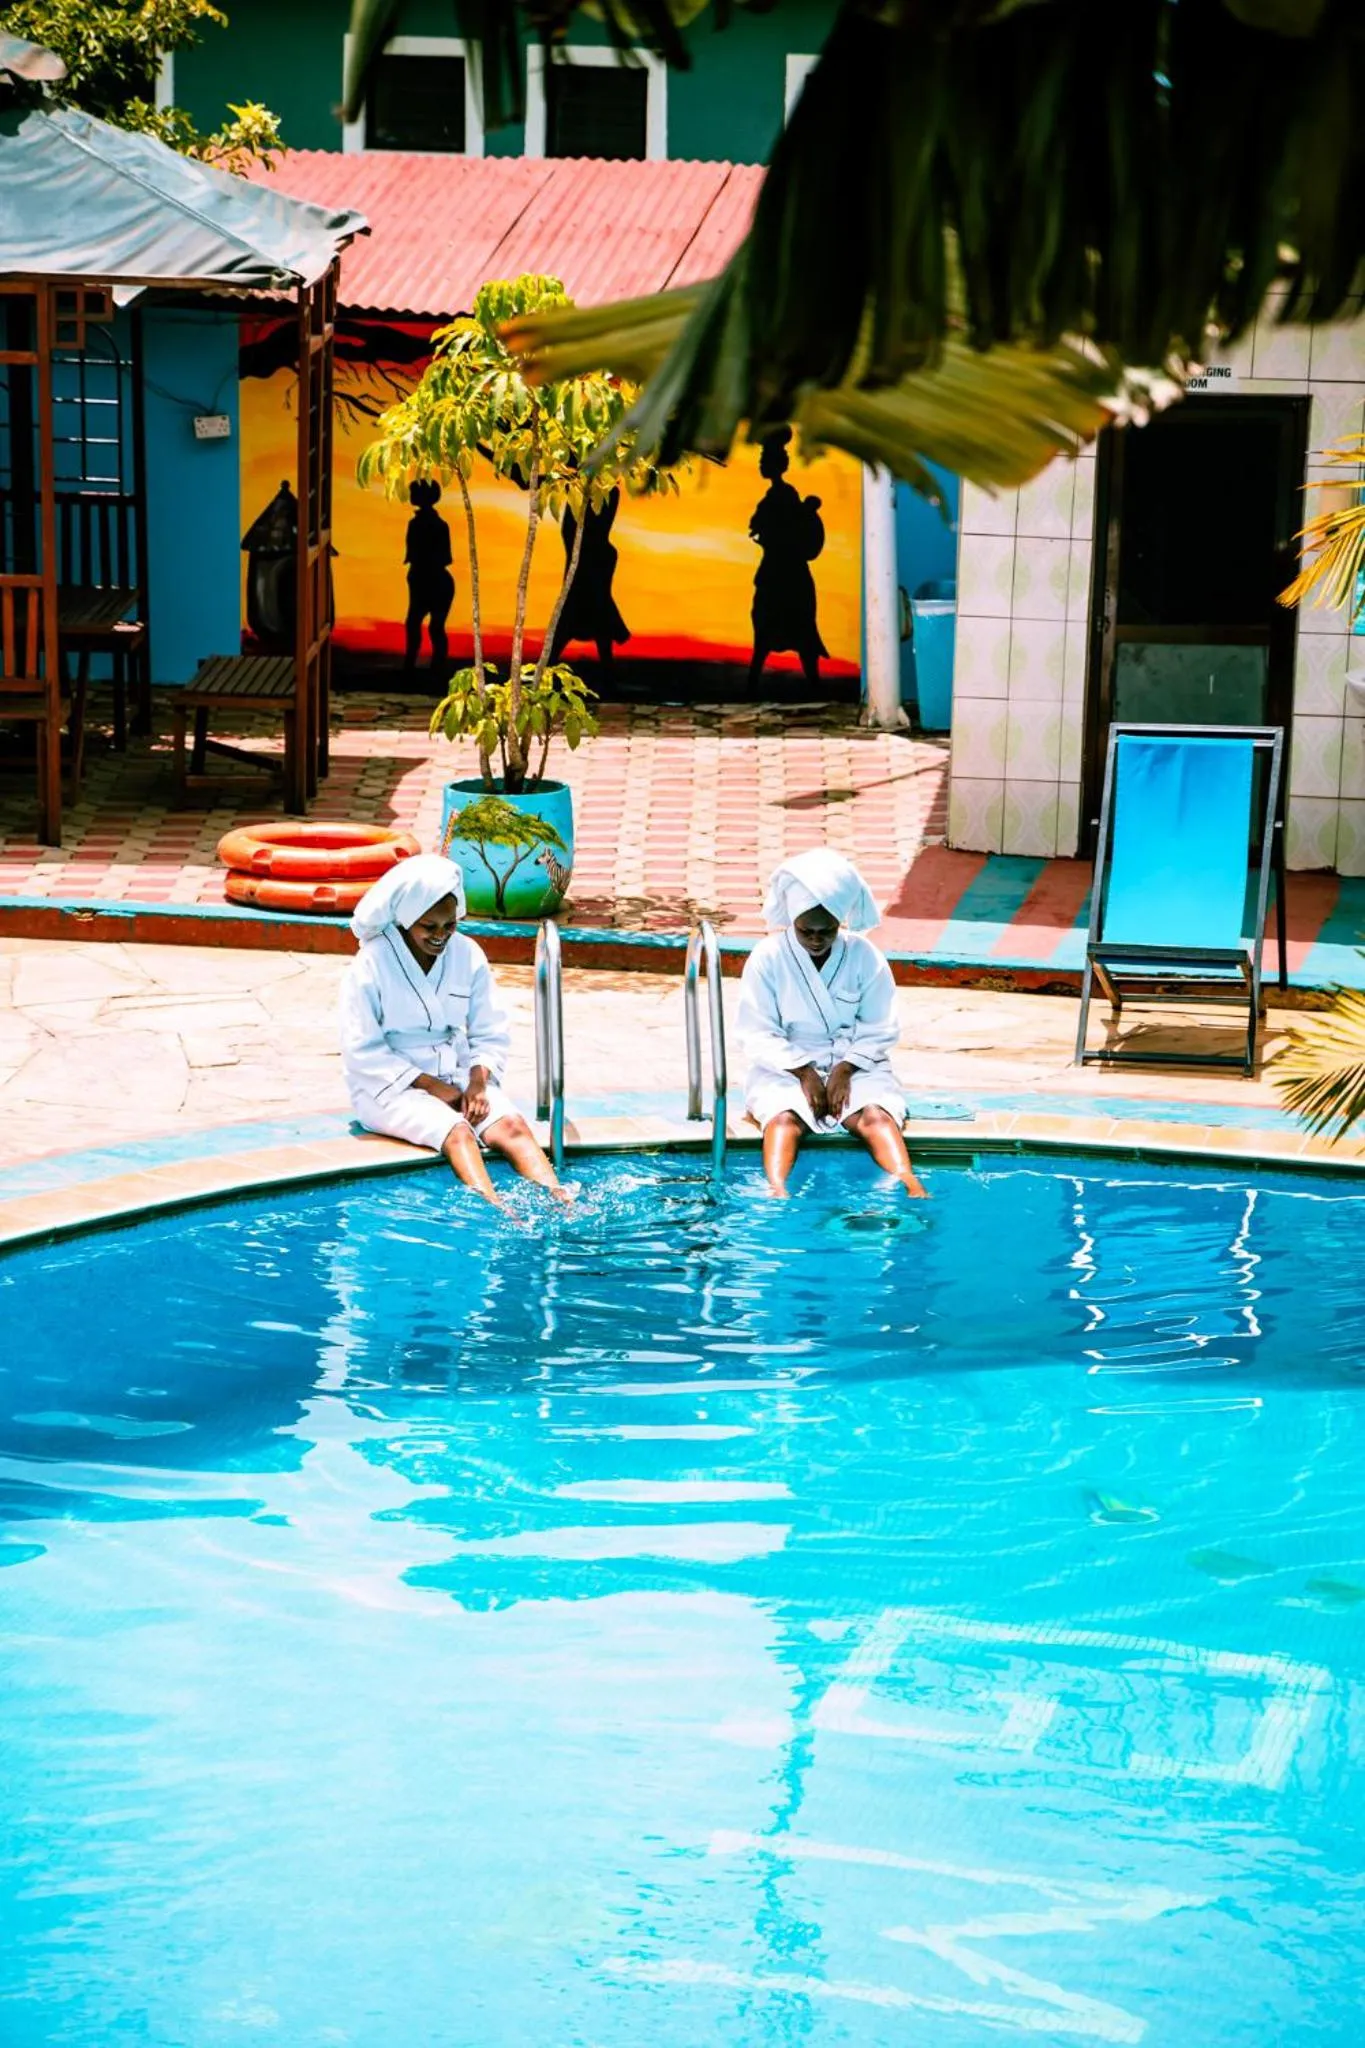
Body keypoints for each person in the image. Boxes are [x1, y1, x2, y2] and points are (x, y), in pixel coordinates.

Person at [339, 855, 569, 1210]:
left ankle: (563, 1203)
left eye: (449, 926)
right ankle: (501, 1212)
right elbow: (362, 1050)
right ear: (405, 920)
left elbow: (490, 1030)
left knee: (513, 1126)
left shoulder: (467, 954)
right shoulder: (371, 963)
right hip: (389, 1089)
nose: (440, 937)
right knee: (458, 1132)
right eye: (429, 927)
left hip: (458, 1076)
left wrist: (477, 1083)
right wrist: (432, 1087)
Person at [738, 849, 926, 1200]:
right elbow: (756, 1030)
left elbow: (880, 1025)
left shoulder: (864, 955)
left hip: (856, 1063)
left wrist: (844, 1070)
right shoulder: (768, 957)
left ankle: (910, 1182)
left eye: (826, 931)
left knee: (876, 1116)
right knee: (783, 1120)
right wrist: (804, 1073)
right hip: (786, 1066)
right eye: (806, 930)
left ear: (840, 922)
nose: (815, 939)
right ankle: (777, 1190)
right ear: (792, 920)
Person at [747, 427, 828, 691]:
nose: (762, 465)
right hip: (777, 572)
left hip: (785, 573)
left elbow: (769, 529)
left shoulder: (784, 497)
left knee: (792, 629)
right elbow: (757, 526)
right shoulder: (775, 498)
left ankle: (810, 682)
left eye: (764, 461)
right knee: (770, 628)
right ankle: (755, 683)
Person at [402, 480, 455, 684]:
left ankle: (417, 665)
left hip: (430, 579)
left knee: (421, 624)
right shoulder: (438, 525)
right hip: (433, 579)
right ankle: (432, 666)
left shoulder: (420, 525)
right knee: (431, 626)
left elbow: (440, 556)